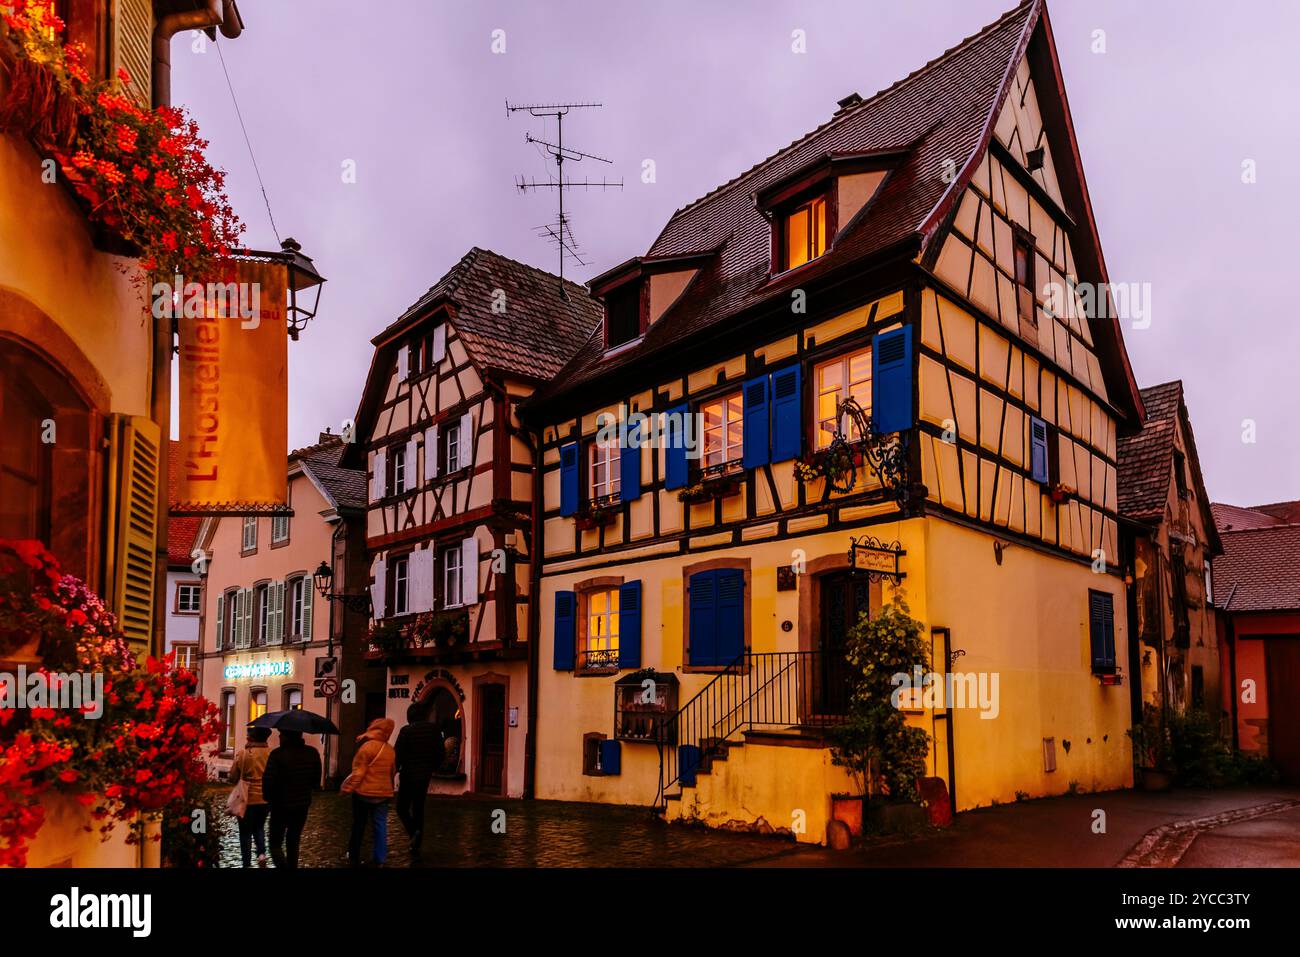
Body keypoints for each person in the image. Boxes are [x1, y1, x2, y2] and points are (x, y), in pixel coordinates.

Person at [262, 729, 322, 869]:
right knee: (293, 840)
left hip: (280, 805)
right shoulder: (312, 753)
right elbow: (315, 782)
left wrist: (268, 799)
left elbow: (268, 780)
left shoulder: (277, 754)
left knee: (275, 844)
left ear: (286, 737)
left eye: (281, 734)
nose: (279, 736)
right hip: (302, 805)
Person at [343, 717, 395, 867]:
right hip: (383, 794)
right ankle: (380, 858)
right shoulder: (390, 750)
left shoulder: (366, 747)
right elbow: (392, 772)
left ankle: (353, 855)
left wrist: (348, 787)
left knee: (358, 825)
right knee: (380, 826)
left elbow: (359, 773)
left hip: (363, 794)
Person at [394, 701, 444, 856]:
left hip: (408, 774)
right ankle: (417, 841)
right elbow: (441, 753)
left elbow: (398, 754)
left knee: (402, 808)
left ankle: (413, 832)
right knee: (418, 808)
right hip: (424, 776)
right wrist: (433, 767)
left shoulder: (406, 731)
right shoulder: (434, 731)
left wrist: (397, 768)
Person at [229, 725, 272, 867]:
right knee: (259, 827)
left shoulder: (243, 754)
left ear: (252, 737)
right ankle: (261, 854)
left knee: (245, 832)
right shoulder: (271, 753)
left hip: (246, 799)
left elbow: (233, 776)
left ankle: (246, 862)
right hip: (265, 797)